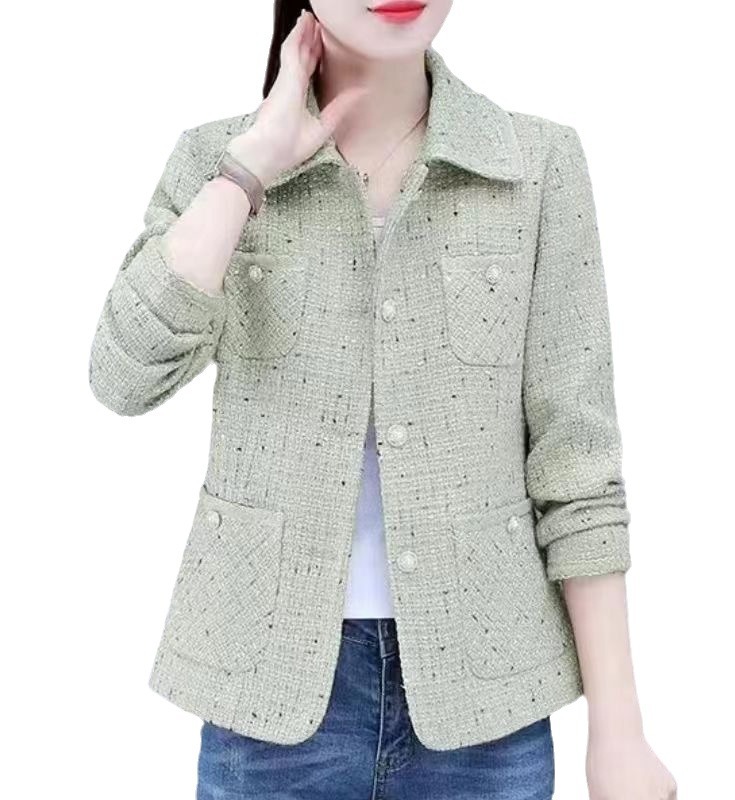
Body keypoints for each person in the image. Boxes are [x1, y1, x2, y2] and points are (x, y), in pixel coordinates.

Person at [88, 1, 677, 798]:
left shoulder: (535, 164)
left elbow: (576, 464)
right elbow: (123, 376)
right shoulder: (215, 160)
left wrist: (619, 730)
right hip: (268, 690)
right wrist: (249, 169)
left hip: (486, 693)